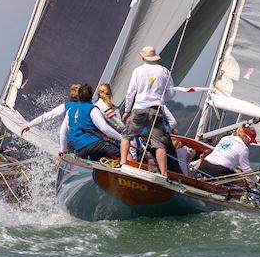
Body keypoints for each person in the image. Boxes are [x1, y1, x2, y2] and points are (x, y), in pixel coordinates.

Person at [120, 45, 176, 177]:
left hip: (139, 107)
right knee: (159, 144)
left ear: (143, 57)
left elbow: (130, 93)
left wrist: (127, 111)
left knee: (126, 136)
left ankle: (123, 163)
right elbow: (172, 93)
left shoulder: (138, 71)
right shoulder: (164, 71)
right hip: (157, 109)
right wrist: (161, 98)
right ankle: (163, 174)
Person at [59, 83, 121, 161]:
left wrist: (63, 151)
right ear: (91, 96)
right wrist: (122, 138)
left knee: (100, 155)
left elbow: (63, 132)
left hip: (79, 149)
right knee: (122, 152)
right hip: (94, 144)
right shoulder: (92, 109)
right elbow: (105, 128)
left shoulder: (70, 110)